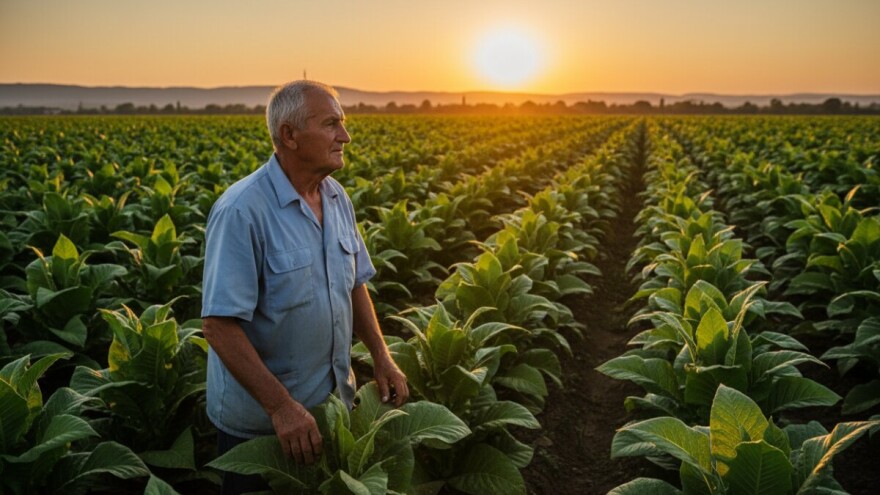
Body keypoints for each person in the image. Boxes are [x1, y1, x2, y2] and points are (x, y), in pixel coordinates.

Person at [201, 80, 408, 494]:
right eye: (331, 124)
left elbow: (355, 285)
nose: (345, 136)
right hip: (265, 427)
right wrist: (281, 408)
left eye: (343, 124)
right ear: (289, 136)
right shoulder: (242, 211)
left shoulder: (335, 197)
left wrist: (381, 356)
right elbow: (219, 326)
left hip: (329, 409)